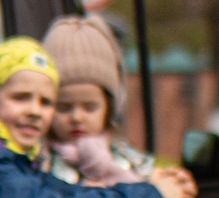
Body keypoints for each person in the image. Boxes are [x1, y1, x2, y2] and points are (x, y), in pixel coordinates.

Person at [0, 38, 192, 198]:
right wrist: (152, 197)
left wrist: (147, 186)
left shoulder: (12, 160)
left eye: (46, 102)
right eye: (20, 97)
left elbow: (65, 193)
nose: (35, 111)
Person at [43, 14, 157, 186]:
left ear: (110, 107)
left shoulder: (133, 164)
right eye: (64, 107)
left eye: (89, 107)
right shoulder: (38, 164)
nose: (76, 117)